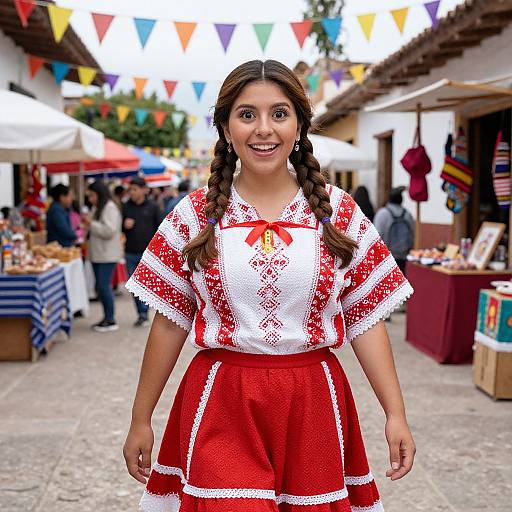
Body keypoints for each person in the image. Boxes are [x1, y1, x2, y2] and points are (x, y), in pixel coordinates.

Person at [123, 60, 416, 512]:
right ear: (225, 127)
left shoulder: (338, 213)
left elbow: (365, 319)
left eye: (279, 113)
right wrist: (140, 418)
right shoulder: (193, 214)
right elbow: (168, 324)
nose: (264, 129)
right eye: (247, 114)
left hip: (313, 401)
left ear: (299, 123)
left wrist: (395, 413)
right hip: (223, 399)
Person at [82, 180, 122, 332]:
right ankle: (107, 317)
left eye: (92, 195)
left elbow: (109, 230)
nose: (90, 199)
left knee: (104, 287)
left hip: (107, 255)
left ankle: (110, 319)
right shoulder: (98, 207)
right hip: (98, 254)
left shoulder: (109, 207)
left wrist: (91, 223)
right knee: (101, 286)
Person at [122, 176, 162, 327]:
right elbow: (120, 228)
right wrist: (124, 225)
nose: (132, 192)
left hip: (147, 253)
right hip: (130, 252)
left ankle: (144, 313)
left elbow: (160, 229)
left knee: (145, 285)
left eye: (135, 189)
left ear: (144, 190)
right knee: (133, 286)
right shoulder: (126, 206)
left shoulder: (153, 206)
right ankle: (140, 313)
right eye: (130, 189)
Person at [373, 186, 415, 274]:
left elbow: (377, 235)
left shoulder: (382, 213)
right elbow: (412, 233)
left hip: (387, 256)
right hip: (403, 255)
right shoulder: (407, 214)